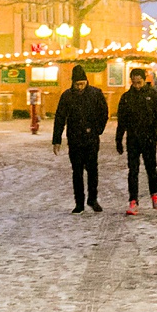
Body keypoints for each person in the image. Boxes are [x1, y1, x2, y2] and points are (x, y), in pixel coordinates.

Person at [52, 65, 109, 213]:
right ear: (72, 82)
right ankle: (79, 203)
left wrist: (98, 130)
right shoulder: (67, 96)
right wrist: (56, 139)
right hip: (75, 138)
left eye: (82, 84)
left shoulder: (95, 94)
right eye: (77, 84)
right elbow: (60, 118)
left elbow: (104, 112)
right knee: (77, 171)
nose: (79, 87)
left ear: (86, 81)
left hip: (91, 138)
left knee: (92, 170)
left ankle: (92, 199)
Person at [116, 67, 157, 214]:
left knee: (151, 167)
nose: (137, 85)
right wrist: (118, 139)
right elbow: (122, 120)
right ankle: (133, 200)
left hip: (149, 138)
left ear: (145, 80)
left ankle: (154, 194)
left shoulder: (153, 95)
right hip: (133, 139)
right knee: (133, 170)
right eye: (135, 82)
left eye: (140, 82)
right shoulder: (126, 97)